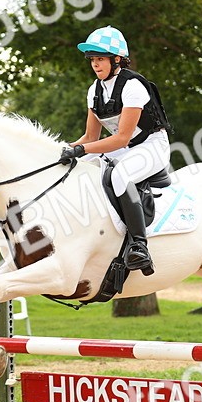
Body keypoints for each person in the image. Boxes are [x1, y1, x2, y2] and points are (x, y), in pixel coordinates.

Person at [59, 26, 172, 275]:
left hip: (152, 145)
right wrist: (64, 150)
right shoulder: (94, 90)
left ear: (117, 59)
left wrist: (81, 148)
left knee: (121, 175)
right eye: (93, 60)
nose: (95, 65)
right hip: (125, 147)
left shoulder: (132, 86)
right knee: (78, 166)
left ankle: (139, 246)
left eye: (100, 59)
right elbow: (90, 137)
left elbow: (120, 138)